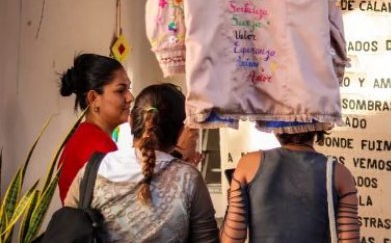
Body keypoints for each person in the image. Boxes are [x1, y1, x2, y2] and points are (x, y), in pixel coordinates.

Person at [64, 83, 219, 242]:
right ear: (181, 130)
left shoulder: (93, 169)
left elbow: (66, 229)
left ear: (131, 121)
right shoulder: (188, 178)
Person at [219, 122, 360, 242]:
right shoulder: (340, 174)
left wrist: (232, 200)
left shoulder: (248, 165)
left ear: (275, 125)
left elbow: (231, 239)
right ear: (319, 126)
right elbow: (350, 240)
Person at [58, 53, 133, 202]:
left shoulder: (84, 136)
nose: (130, 97)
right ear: (93, 99)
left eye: (128, 89)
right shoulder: (98, 146)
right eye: (120, 90)